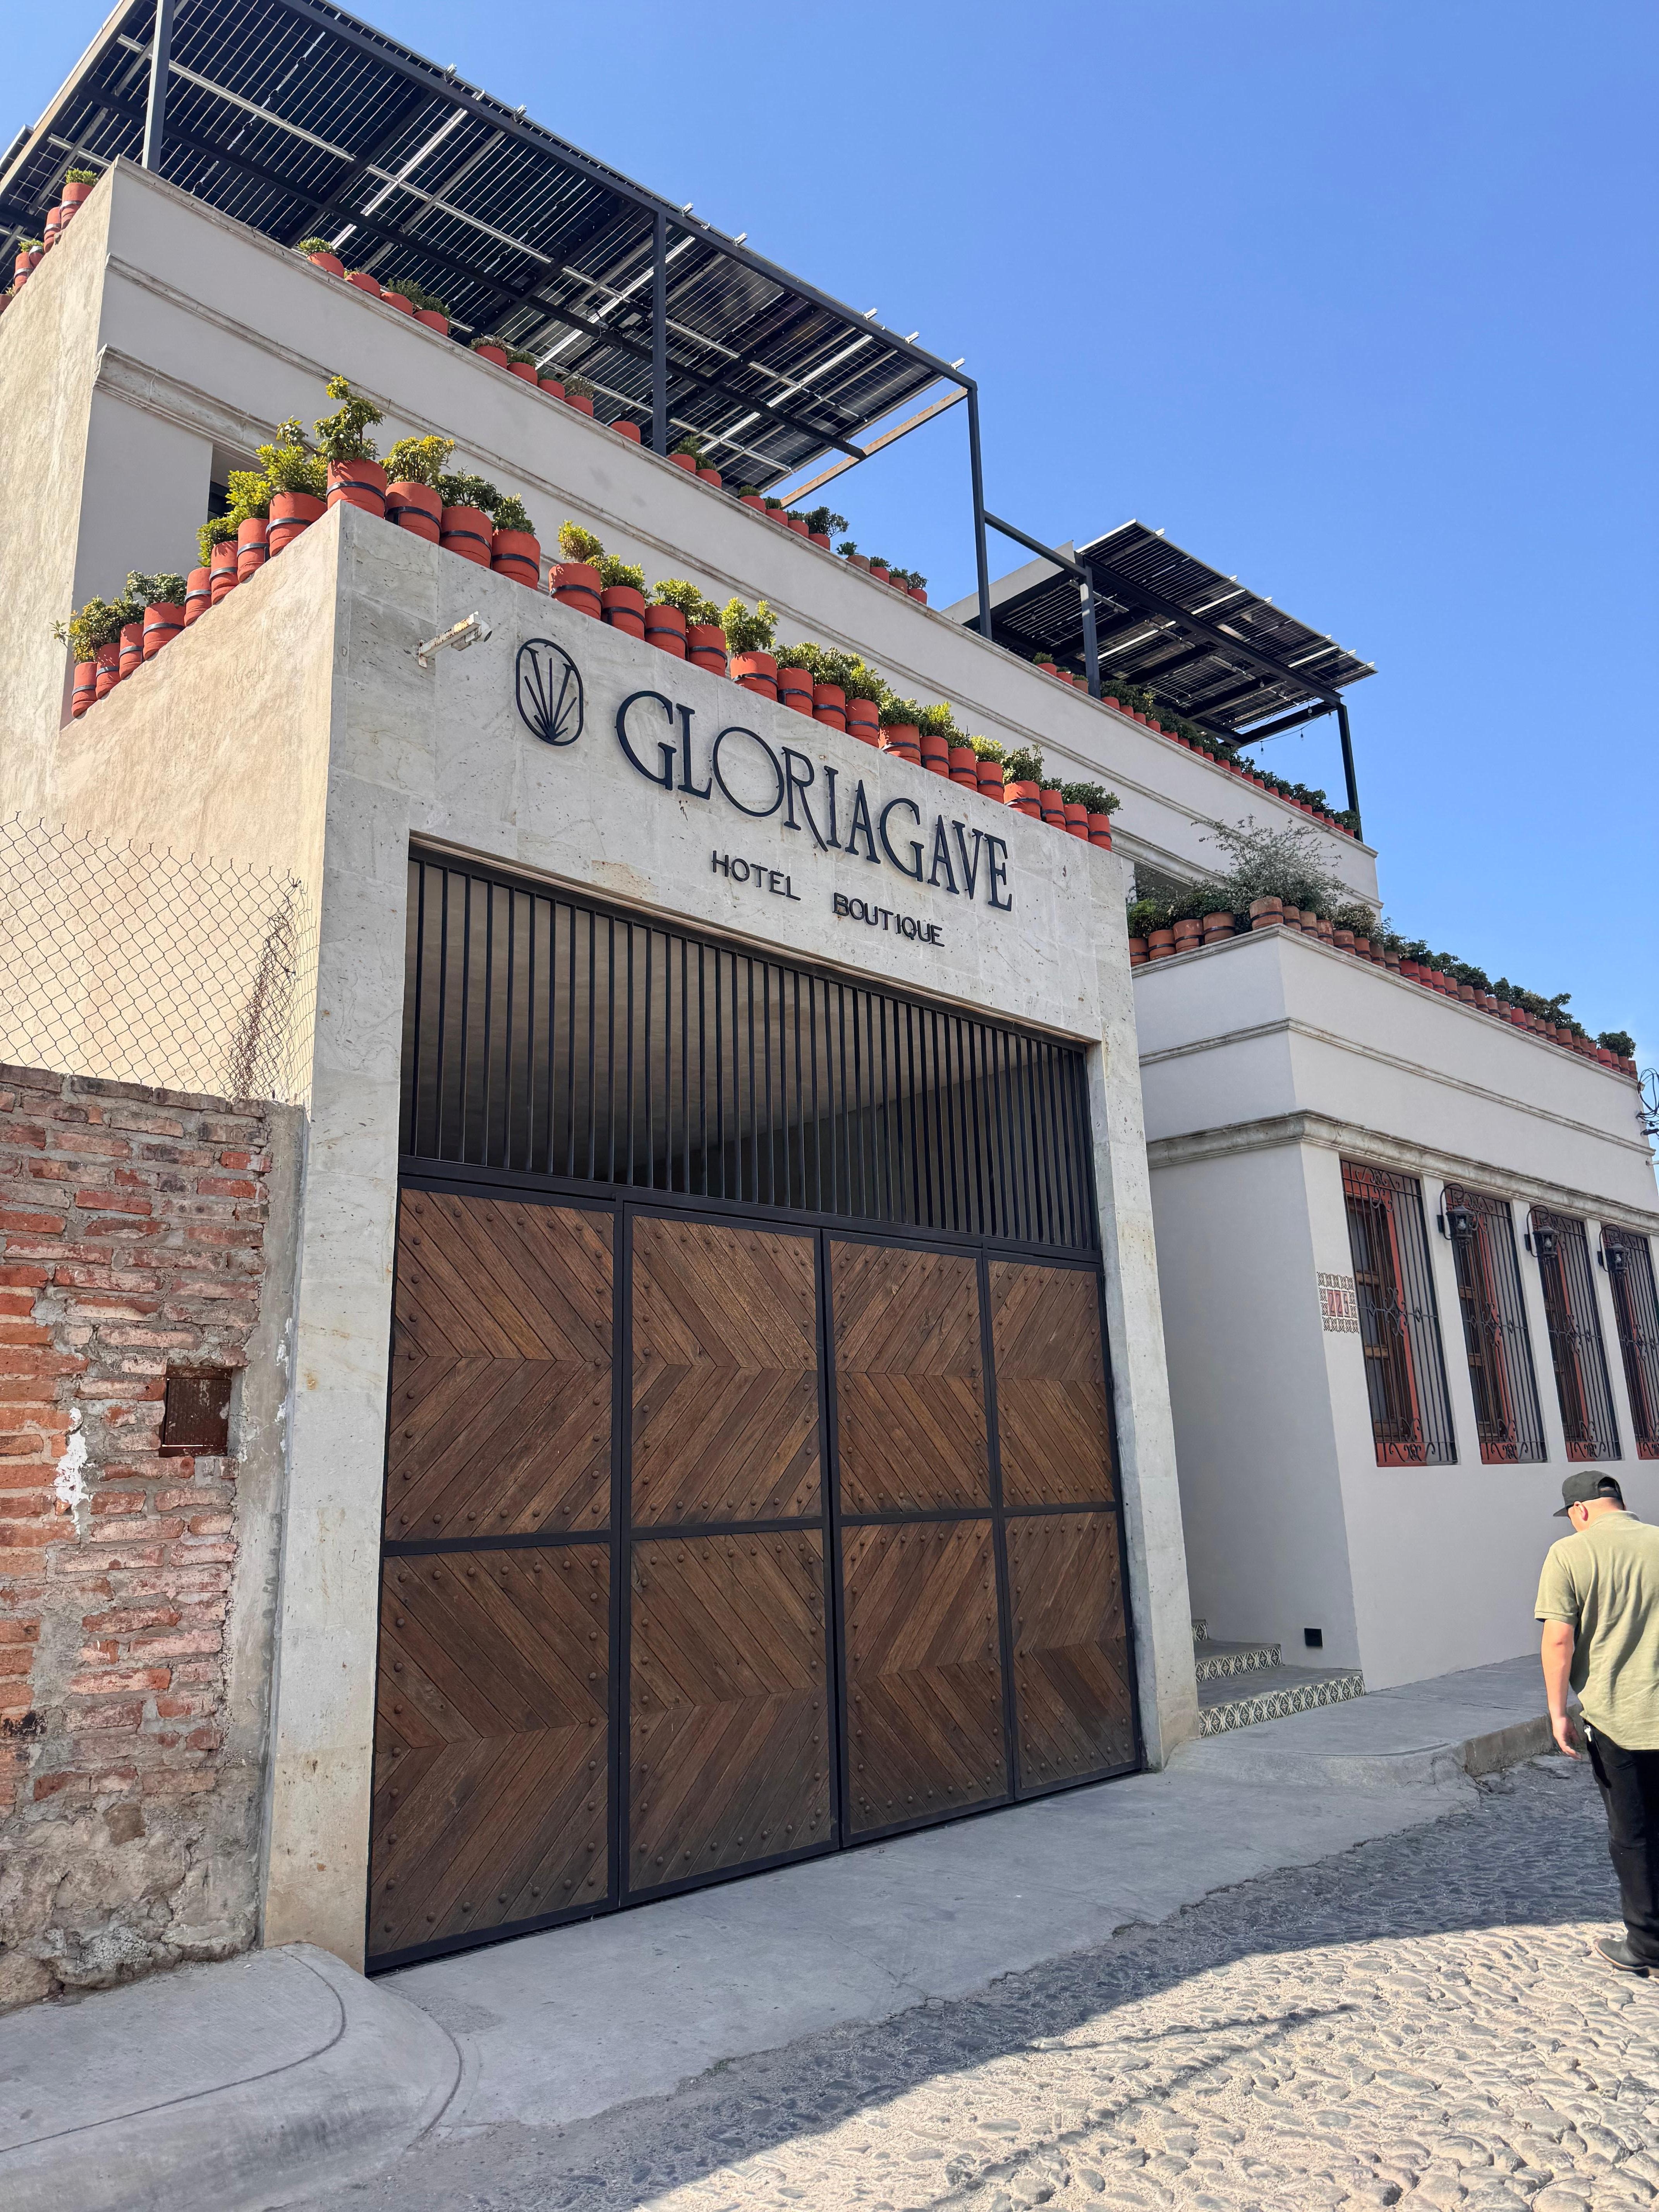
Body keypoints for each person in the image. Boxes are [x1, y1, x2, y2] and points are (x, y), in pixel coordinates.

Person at [1537, 1468, 1659, 1974]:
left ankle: (1647, 1945)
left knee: (1633, 1832)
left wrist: (1556, 1711)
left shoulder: (1570, 1553)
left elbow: (1558, 1639)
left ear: (1580, 1510)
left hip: (1617, 1717)